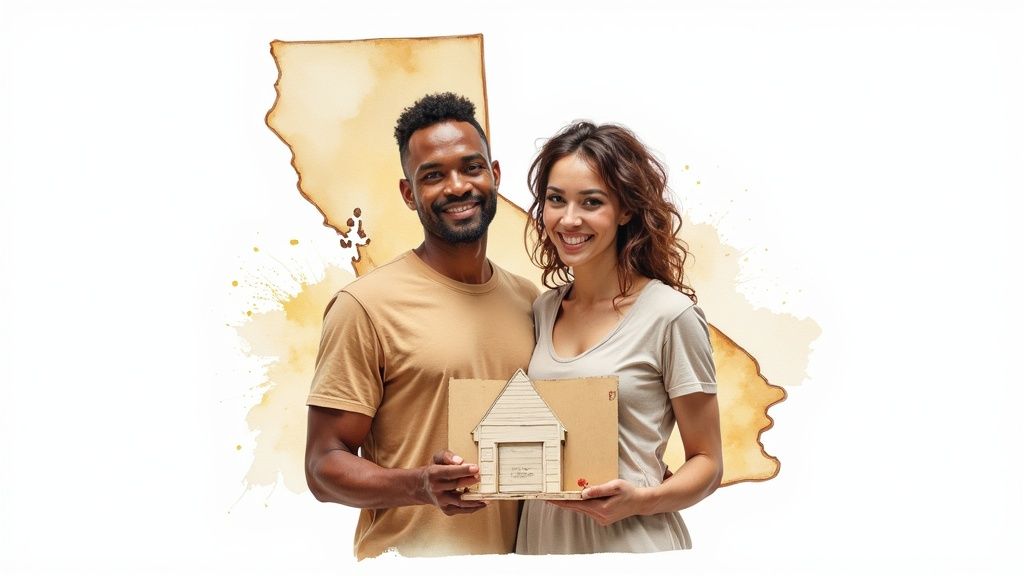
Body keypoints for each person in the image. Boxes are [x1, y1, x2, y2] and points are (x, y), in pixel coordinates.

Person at [304, 92, 539, 559]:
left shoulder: (530, 301)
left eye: (471, 167)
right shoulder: (364, 306)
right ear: (409, 194)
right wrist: (420, 486)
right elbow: (322, 467)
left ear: (494, 175)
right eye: (433, 175)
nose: (457, 186)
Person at [516, 121, 723, 554]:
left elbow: (708, 463)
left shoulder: (670, 316)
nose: (569, 219)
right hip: (543, 544)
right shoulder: (542, 310)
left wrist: (642, 500)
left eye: (591, 202)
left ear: (625, 210)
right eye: (556, 199)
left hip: (633, 545)